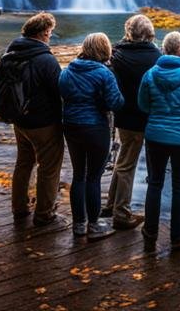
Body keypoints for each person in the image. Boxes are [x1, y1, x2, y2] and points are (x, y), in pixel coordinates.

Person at [137, 32, 180, 252]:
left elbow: (143, 105)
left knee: (154, 183)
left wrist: (159, 114)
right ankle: (178, 235)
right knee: (179, 185)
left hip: (155, 135)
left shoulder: (149, 74)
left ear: (164, 50)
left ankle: (150, 232)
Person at [59, 33, 124, 239]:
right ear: (104, 50)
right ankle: (94, 225)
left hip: (70, 125)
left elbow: (62, 92)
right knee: (94, 177)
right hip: (96, 127)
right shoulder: (104, 74)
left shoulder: (68, 70)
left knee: (78, 174)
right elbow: (116, 103)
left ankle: (79, 224)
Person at [2, 11, 64, 226]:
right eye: (50, 33)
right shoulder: (45, 60)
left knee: (23, 163)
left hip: (19, 120)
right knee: (49, 167)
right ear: (44, 33)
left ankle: (19, 208)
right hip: (43, 122)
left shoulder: (10, 54)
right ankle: (44, 213)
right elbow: (59, 91)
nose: (50, 37)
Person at [101, 13, 161, 230]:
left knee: (123, 159)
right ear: (149, 34)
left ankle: (110, 204)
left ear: (129, 32)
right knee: (127, 164)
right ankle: (122, 213)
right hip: (143, 117)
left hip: (122, 114)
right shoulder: (155, 56)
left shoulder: (117, 53)